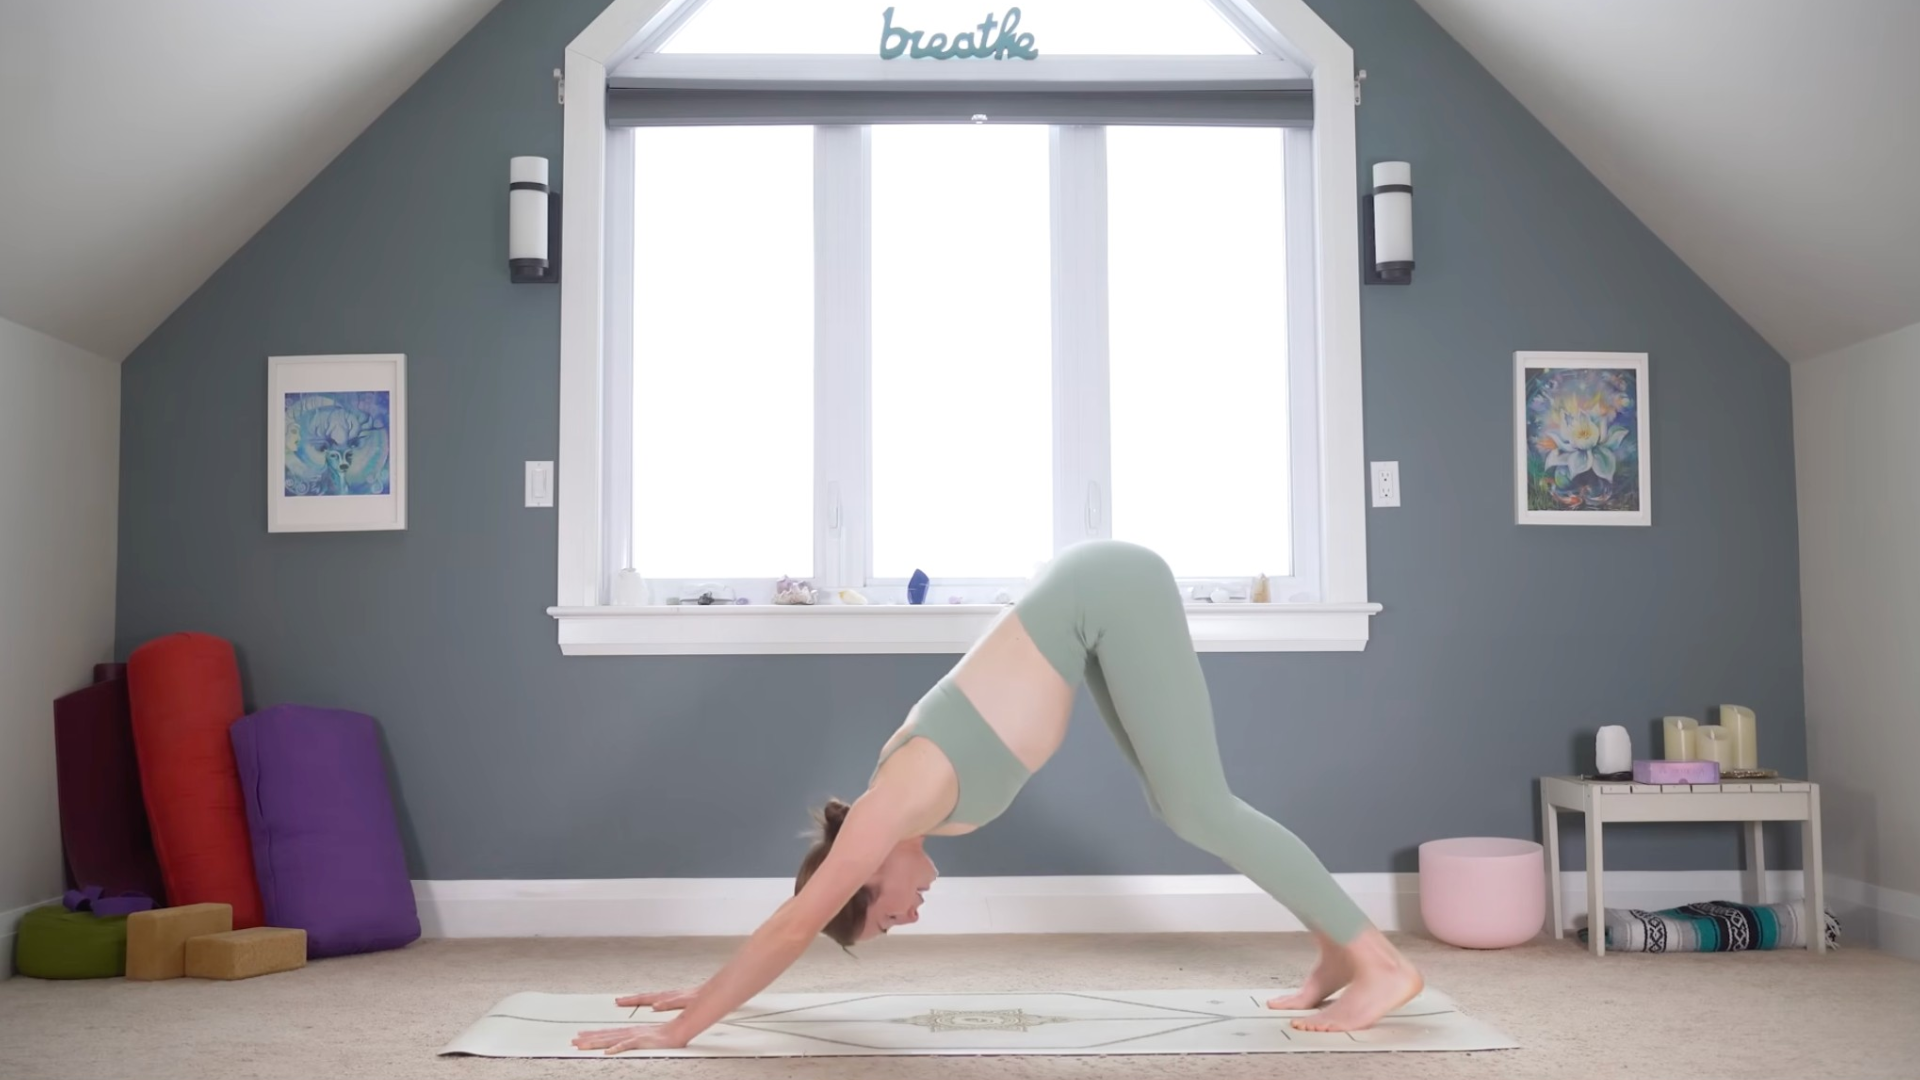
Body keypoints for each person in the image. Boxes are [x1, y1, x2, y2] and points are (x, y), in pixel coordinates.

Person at [573, 540, 1423, 1055]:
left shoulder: (886, 808)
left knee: (1200, 805)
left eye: (883, 919)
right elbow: (796, 924)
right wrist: (713, 988)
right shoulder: (912, 809)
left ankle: (1382, 965)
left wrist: (683, 1029)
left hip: (1106, 589)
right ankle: (1337, 955)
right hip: (1094, 606)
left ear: (863, 873)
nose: (906, 921)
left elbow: (791, 926)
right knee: (1183, 806)